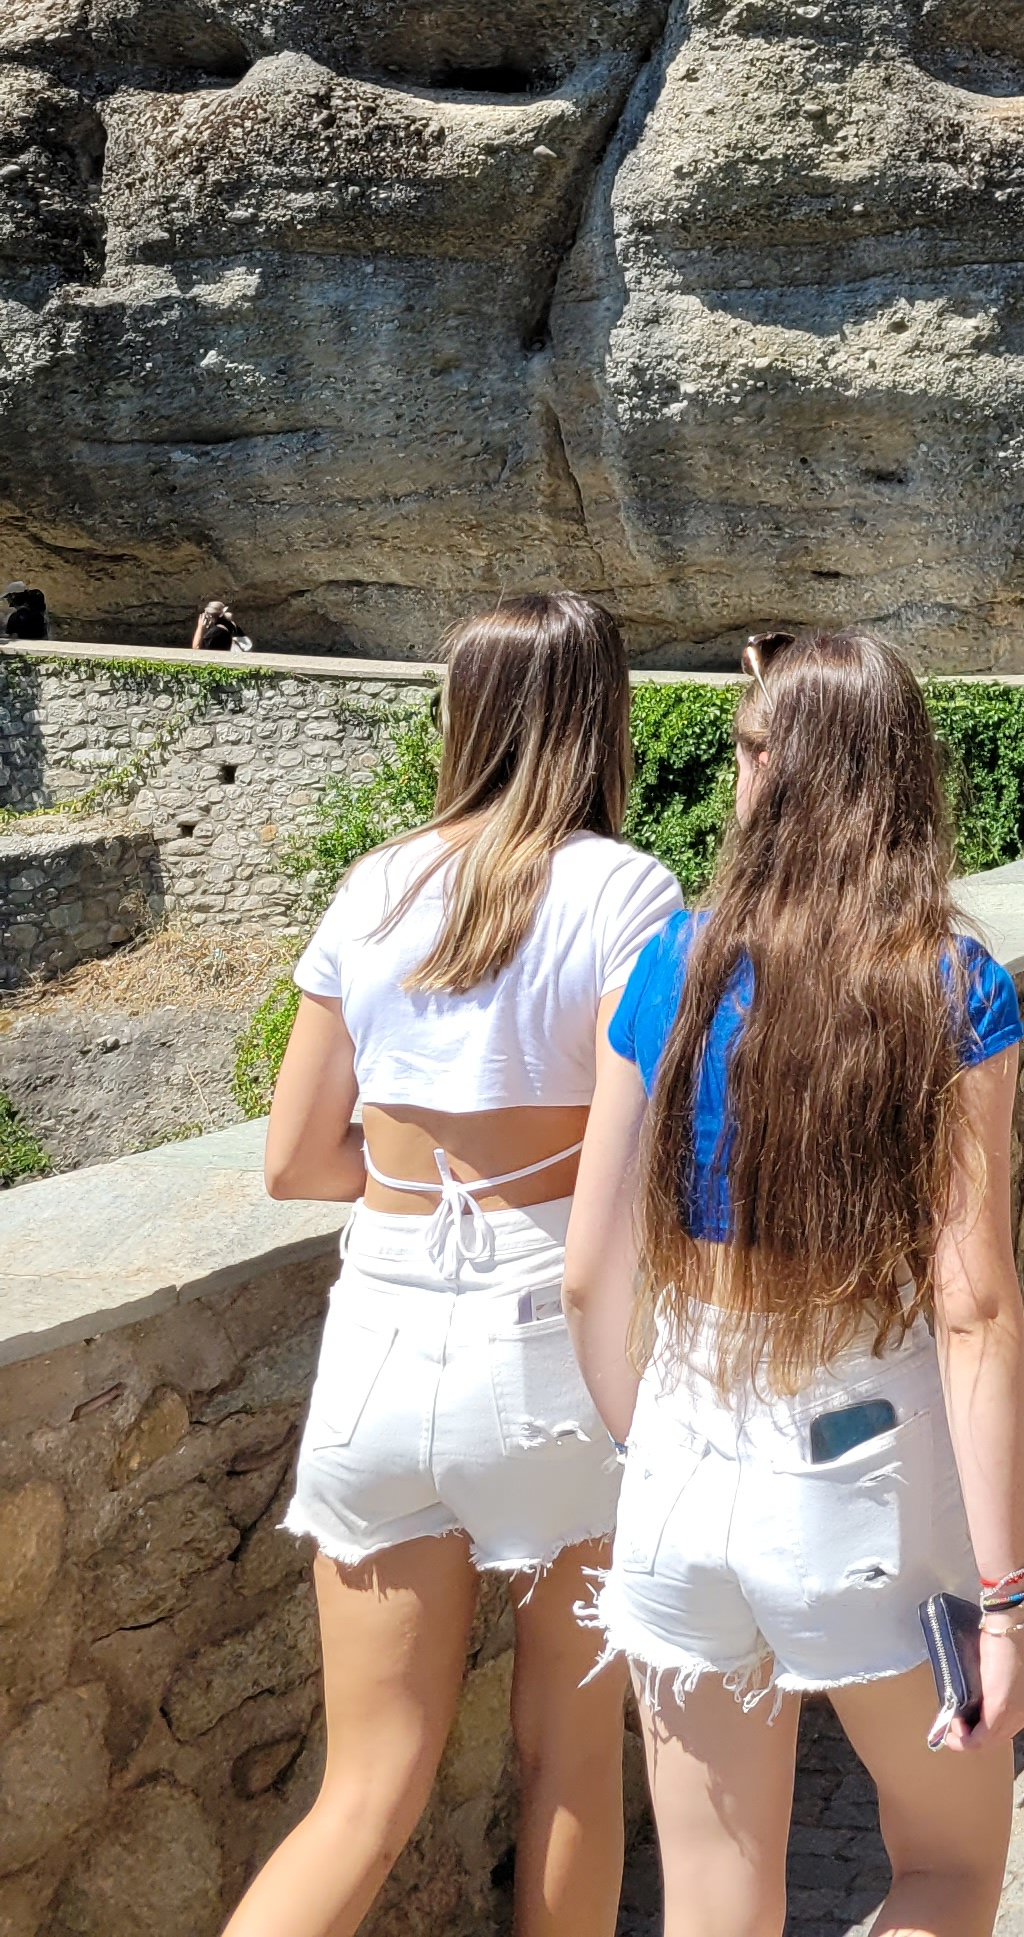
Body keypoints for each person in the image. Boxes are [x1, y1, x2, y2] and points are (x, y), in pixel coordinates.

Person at [565, 629, 1024, 1937]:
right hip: (867, 1468)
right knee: (948, 1874)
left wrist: (648, 1438)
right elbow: (973, 1305)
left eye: (744, 753)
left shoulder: (673, 964)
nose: (734, 780)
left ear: (778, 771)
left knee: (713, 1904)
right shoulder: (948, 986)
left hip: (679, 1469)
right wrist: (1008, 1606)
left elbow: (587, 1277)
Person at [227, 592, 678, 1937]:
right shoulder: (626, 889)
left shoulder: (373, 885)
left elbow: (298, 1159)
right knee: (573, 1761)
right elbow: (637, 1157)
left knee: (364, 1793)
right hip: (551, 1344)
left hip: (378, 1337)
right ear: (604, 718)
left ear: (462, 715)